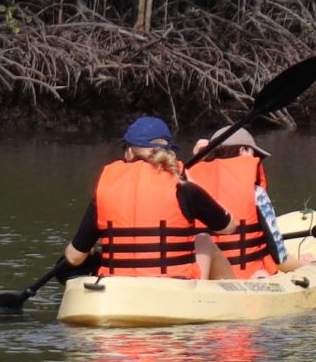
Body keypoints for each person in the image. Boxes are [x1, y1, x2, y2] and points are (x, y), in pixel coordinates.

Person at [64, 117, 234, 281]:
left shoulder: (106, 189)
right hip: (172, 290)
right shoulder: (183, 187)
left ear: (129, 151)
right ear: (170, 153)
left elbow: (74, 257)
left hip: (117, 289)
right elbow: (228, 227)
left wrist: (92, 254)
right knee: (203, 240)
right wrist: (194, 184)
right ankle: (232, 301)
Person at [188, 125, 285, 279]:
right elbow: (278, 254)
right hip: (250, 276)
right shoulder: (256, 192)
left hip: (206, 276)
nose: (256, 159)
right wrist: (304, 264)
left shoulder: (188, 186)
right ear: (242, 150)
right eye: (254, 153)